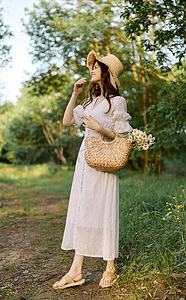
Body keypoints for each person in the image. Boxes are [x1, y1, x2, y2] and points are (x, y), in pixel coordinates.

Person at [53, 50, 132, 289]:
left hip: (104, 160)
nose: (92, 69)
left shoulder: (117, 102)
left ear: (107, 72)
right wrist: (75, 93)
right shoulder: (88, 101)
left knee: (103, 209)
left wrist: (101, 128)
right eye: (93, 66)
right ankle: (76, 270)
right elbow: (67, 121)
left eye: (97, 66)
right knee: (82, 210)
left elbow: (124, 136)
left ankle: (110, 266)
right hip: (85, 161)